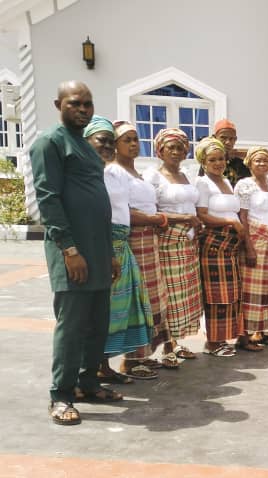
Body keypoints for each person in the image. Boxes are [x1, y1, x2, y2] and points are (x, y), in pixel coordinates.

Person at [31, 81, 120, 425]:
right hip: (72, 252)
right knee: (72, 325)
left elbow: (98, 201)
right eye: (75, 104)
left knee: (98, 322)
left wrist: (109, 252)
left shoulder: (84, 145)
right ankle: (61, 395)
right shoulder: (50, 142)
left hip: (98, 251)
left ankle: (87, 383)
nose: (83, 109)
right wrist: (69, 249)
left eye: (88, 104)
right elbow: (48, 198)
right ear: (59, 104)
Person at [86, 116, 154, 383]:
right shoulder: (90, 173)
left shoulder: (116, 173)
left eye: (110, 143)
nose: (108, 147)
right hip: (103, 244)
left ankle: (105, 365)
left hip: (122, 243)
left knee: (120, 309)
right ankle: (92, 369)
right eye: (103, 141)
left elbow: (125, 207)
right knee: (103, 309)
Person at [113, 120, 177, 373]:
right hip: (134, 240)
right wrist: (154, 219)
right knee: (137, 299)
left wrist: (156, 219)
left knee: (152, 297)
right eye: (126, 140)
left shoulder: (136, 172)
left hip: (150, 240)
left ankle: (143, 354)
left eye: (135, 139)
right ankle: (131, 359)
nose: (132, 144)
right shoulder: (115, 172)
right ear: (114, 145)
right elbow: (121, 211)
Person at [144, 128, 204, 362]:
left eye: (180, 147)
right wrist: (184, 219)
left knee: (184, 294)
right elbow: (152, 211)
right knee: (168, 292)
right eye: (171, 147)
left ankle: (175, 342)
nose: (177, 152)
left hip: (188, 241)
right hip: (168, 238)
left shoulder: (186, 175)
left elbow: (192, 206)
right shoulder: (153, 176)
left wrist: (194, 224)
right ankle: (166, 346)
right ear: (159, 150)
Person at [195, 137, 247, 357]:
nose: (218, 163)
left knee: (230, 293)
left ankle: (223, 338)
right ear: (203, 162)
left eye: (221, 159)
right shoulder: (202, 183)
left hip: (231, 245)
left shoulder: (226, 182)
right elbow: (202, 215)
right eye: (212, 159)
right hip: (214, 242)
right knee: (216, 295)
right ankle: (213, 342)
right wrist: (231, 223)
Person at [235, 147, 268, 348]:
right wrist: (248, 246)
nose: (262, 164)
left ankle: (261, 331)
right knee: (250, 289)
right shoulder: (245, 185)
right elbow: (243, 217)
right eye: (258, 161)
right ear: (249, 163)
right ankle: (244, 335)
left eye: (265, 161)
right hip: (255, 240)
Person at [213, 119, 250, 186]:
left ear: (235, 140)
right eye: (223, 138)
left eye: (231, 139)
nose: (228, 142)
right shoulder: (209, 163)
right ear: (215, 138)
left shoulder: (242, 165)